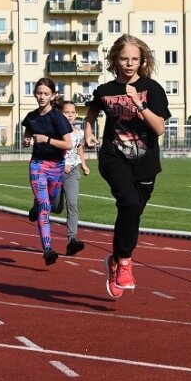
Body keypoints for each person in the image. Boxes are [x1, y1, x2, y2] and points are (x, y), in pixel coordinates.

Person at [84, 34, 170, 300]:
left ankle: (115, 259)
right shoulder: (106, 90)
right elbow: (93, 110)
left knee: (132, 214)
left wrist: (139, 104)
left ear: (142, 60)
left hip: (145, 161)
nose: (129, 64)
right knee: (129, 205)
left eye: (134, 59)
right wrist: (88, 130)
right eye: (124, 59)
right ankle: (124, 265)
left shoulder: (152, 88)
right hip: (113, 157)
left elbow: (158, 128)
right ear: (115, 60)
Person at [22, 78, 73, 266]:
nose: (41, 97)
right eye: (38, 93)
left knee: (49, 204)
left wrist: (47, 139)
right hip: (37, 165)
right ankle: (48, 249)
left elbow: (68, 144)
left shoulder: (58, 118)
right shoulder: (32, 116)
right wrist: (27, 139)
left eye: (45, 93)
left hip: (57, 167)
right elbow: (28, 131)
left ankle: (36, 204)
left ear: (52, 96)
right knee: (45, 208)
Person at [60, 100, 90, 256]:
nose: (69, 115)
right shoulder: (55, 131)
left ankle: (72, 240)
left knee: (72, 204)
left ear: (76, 115)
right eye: (66, 112)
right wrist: (59, 165)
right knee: (56, 207)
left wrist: (83, 164)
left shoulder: (78, 133)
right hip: (56, 173)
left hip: (72, 171)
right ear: (61, 114)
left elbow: (79, 148)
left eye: (72, 112)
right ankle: (38, 202)